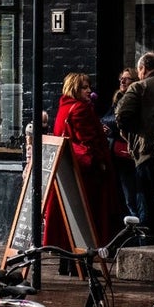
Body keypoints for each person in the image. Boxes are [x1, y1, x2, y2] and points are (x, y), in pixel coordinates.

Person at [49, 72, 118, 246]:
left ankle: (67, 259)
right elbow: (89, 141)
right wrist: (101, 161)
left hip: (67, 169)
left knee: (67, 213)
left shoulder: (63, 107)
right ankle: (82, 254)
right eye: (84, 87)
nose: (89, 91)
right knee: (86, 215)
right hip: (85, 173)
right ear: (75, 89)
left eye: (89, 87)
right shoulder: (80, 109)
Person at [115, 52, 154, 243]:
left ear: (143, 69)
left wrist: (134, 134)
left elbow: (121, 116)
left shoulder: (138, 87)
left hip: (146, 154)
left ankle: (147, 248)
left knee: (146, 207)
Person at [101, 68, 139, 218]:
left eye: (127, 79)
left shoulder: (133, 99)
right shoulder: (118, 98)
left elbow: (120, 122)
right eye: (121, 78)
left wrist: (108, 128)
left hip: (127, 156)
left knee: (130, 196)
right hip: (115, 155)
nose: (122, 81)